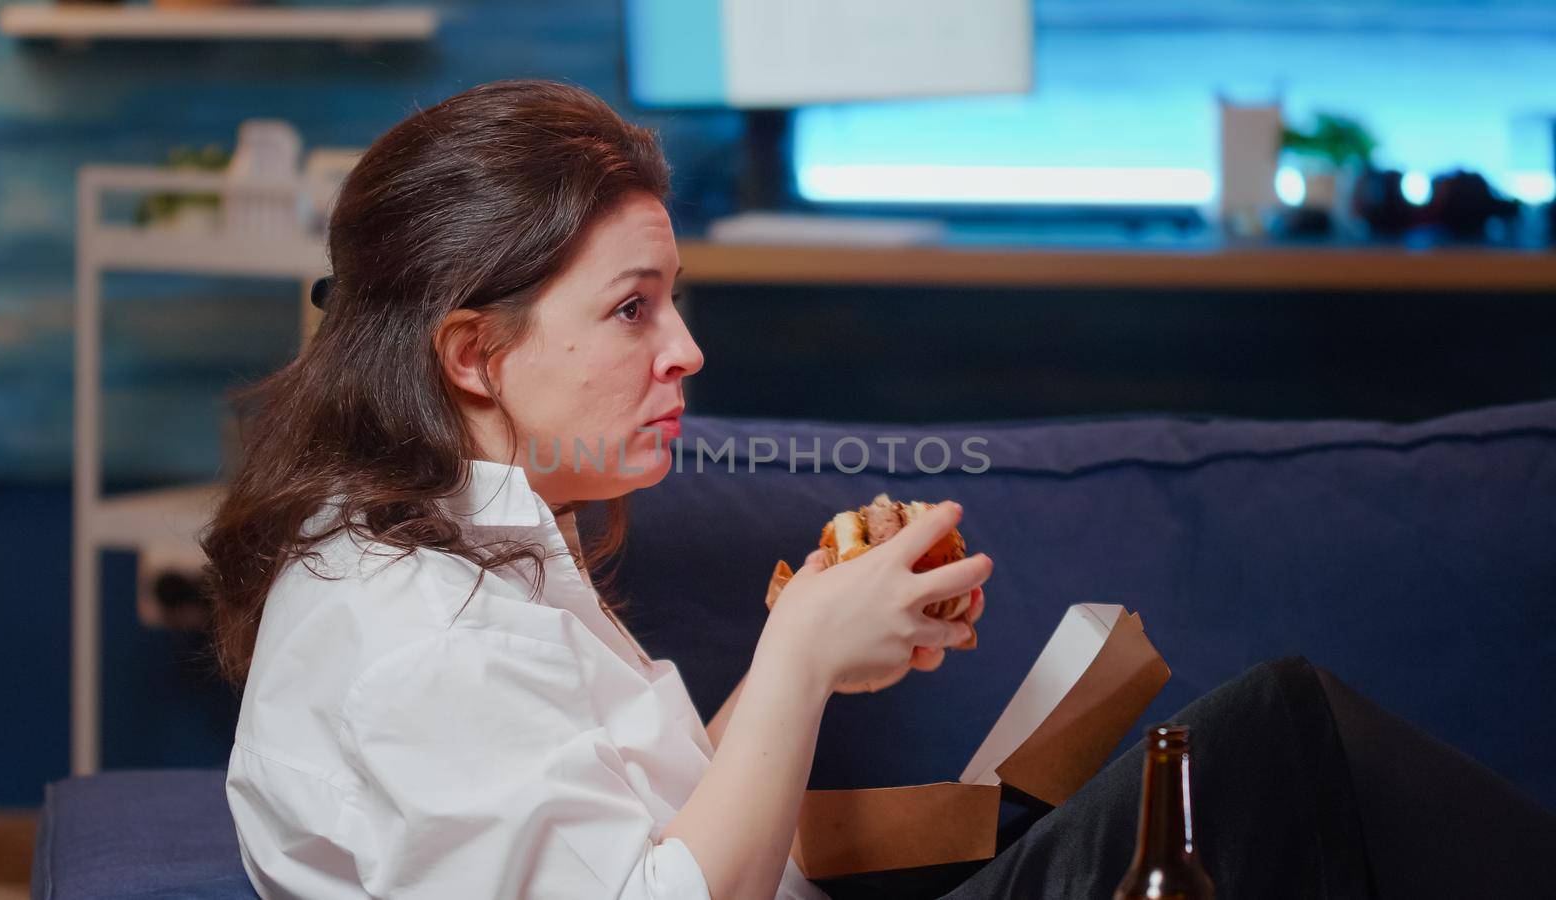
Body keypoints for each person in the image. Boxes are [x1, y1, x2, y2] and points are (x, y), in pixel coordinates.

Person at [204, 79, 1556, 900]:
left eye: (672, 300)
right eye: (631, 309)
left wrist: (827, 654)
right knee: (1280, 740)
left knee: (1230, 771)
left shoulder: (456, 547)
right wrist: (795, 657)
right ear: (471, 351)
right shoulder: (414, 640)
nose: (684, 351)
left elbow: (654, 839)